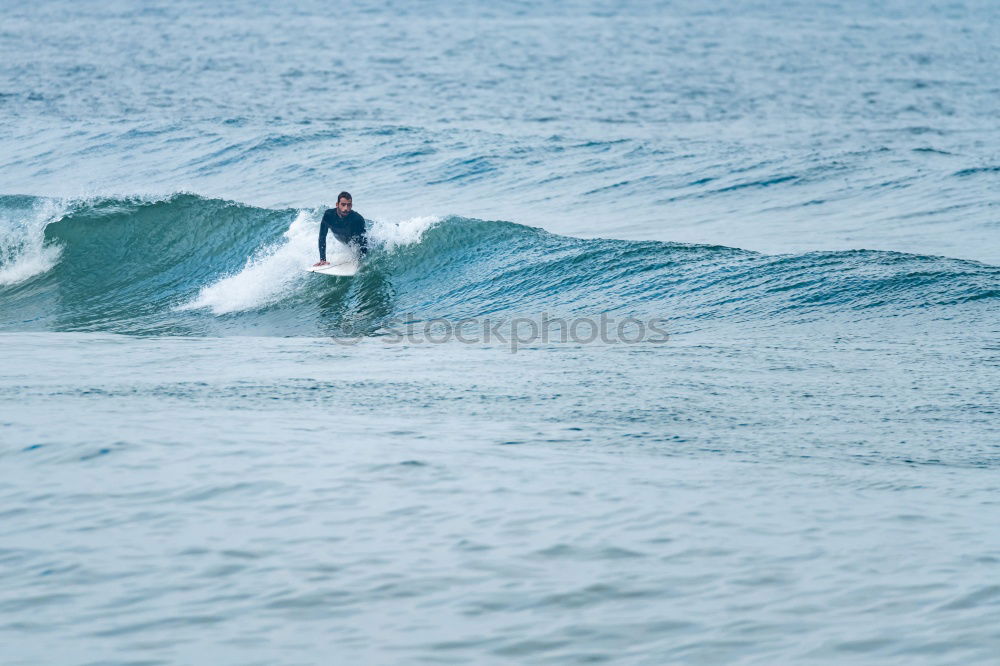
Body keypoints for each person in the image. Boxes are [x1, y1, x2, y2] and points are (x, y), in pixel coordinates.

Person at [313, 191, 367, 266]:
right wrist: (322, 259)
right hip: (342, 239)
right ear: (337, 204)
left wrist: (360, 260)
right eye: (343, 204)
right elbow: (322, 237)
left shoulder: (357, 219)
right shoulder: (328, 215)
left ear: (351, 205)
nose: (346, 208)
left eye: (349, 205)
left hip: (355, 241)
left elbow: (363, 242)